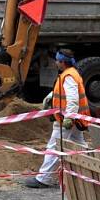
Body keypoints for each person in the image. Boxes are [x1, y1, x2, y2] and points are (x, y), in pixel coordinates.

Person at [25, 49, 90, 189]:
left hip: (68, 120)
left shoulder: (69, 76)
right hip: (74, 119)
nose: (55, 62)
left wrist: (68, 118)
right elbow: (63, 92)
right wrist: (50, 98)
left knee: (54, 147)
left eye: (57, 60)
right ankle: (91, 172)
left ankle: (44, 178)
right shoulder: (69, 74)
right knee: (80, 145)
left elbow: (72, 99)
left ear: (62, 62)